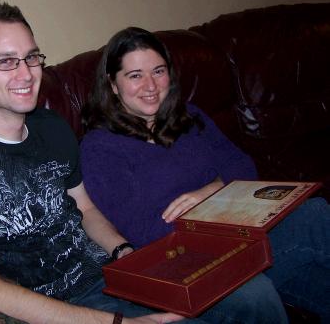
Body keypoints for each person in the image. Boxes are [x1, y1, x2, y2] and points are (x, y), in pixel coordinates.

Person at [0, 2, 195, 324]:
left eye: (32, 57)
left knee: (239, 299)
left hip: (106, 277)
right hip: (51, 307)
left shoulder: (52, 127)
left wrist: (125, 254)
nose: (26, 74)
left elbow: (87, 209)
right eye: (6, 62)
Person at [80, 27, 330, 323]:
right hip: (187, 258)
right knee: (256, 290)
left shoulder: (190, 116)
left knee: (315, 211)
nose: (150, 85)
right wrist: (227, 199)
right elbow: (146, 232)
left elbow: (245, 168)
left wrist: (211, 190)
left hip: (242, 231)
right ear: (112, 84)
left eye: (158, 71)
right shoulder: (99, 148)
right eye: (135, 75)